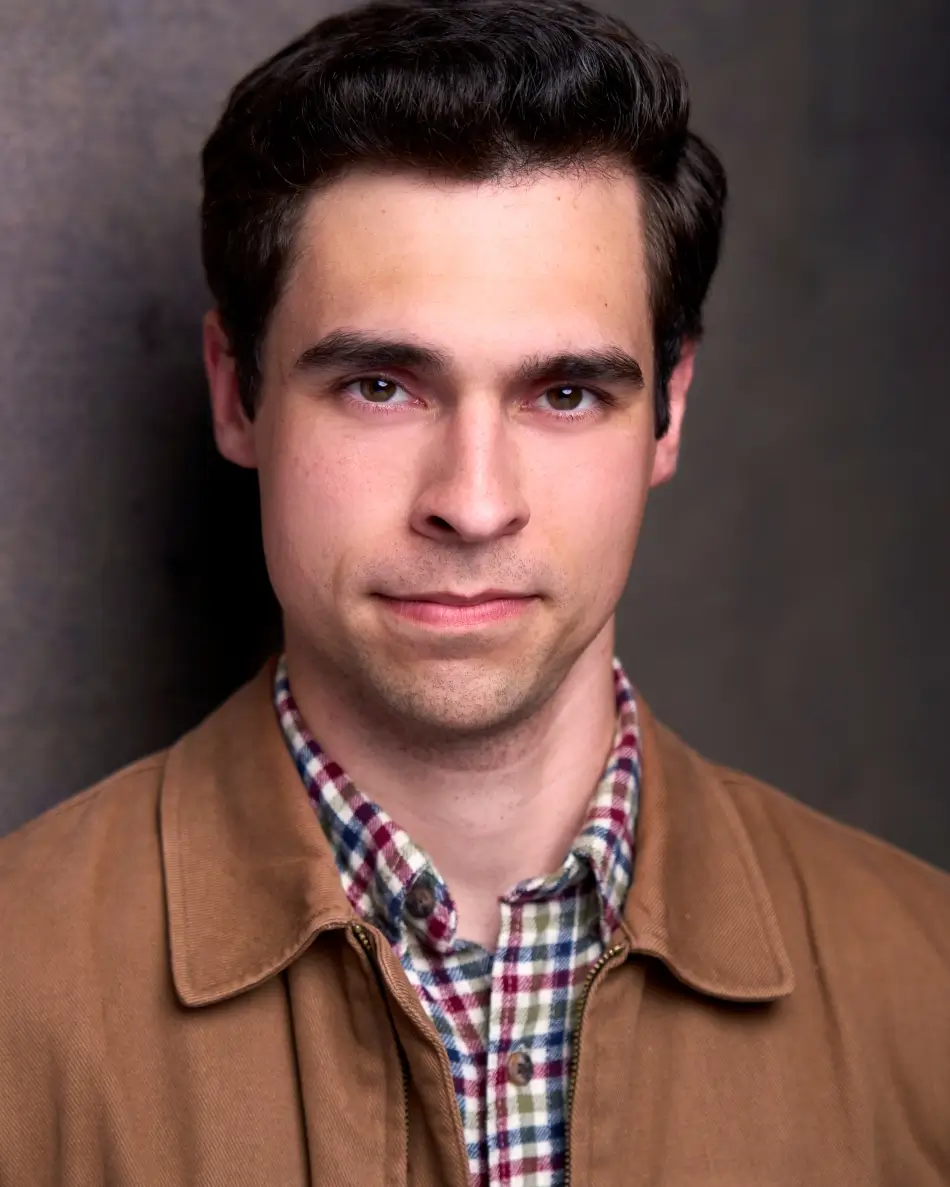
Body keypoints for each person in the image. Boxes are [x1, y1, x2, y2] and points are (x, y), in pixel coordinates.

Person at [1, 0, 948, 1183]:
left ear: (670, 410)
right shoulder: (15, 999)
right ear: (236, 394)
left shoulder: (927, 993)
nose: (473, 501)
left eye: (563, 395)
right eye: (381, 386)